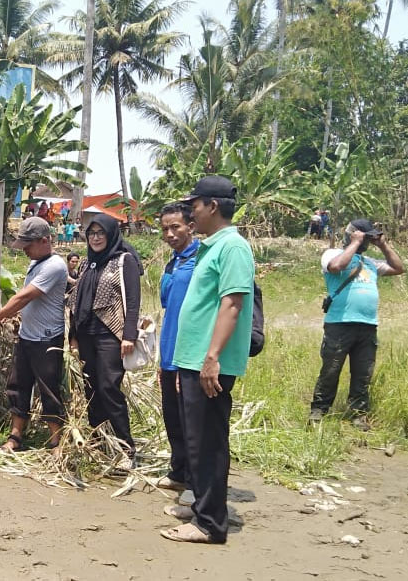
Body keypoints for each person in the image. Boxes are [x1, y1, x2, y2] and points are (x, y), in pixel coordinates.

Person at [162, 175, 255, 545]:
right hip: (192, 360)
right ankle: (202, 505)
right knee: (196, 439)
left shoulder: (232, 247)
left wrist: (212, 357)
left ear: (212, 206)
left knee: (209, 442)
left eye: (194, 206)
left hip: (207, 363)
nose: (191, 212)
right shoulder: (210, 247)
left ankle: (209, 524)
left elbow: (232, 304)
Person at [0, 217, 68, 451]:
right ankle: (15, 437)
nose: (25, 250)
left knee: (48, 388)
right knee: (18, 386)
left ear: (45, 240)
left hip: (47, 339)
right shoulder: (36, 263)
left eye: (28, 245)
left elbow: (24, 297)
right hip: (28, 336)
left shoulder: (55, 265)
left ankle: (56, 442)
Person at [309, 219, 404, 430]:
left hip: (368, 325)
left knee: (363, 373)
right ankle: (318, 412)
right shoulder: (332, 254)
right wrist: (354, 243)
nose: (365, 241)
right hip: (340, 324)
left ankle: (358, 415)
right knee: (331, 370)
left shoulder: (370, 262)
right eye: (363, 236)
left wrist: (382, 245)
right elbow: (336, 267)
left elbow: (398, 268)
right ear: (351, 234)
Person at [69, 214, 142, 469]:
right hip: (87, 334)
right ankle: (99, 442)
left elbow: (132, 302)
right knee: (91, 389)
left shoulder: (125, 261)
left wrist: (129, 335)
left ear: (111, 235)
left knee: (109, 388)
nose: (96, 237)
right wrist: (73, 337)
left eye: (101, 233)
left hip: (111, 335)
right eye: (92, 233)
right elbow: (75, 300)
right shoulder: (88, 263)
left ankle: (126, 449)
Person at [155, 203, 200, 503]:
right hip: (169, 351)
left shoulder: (200, 260)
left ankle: (197, 484)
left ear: (191, 227)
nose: (170, 234)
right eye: (165, 229)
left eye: (176, 227)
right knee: (172, 416)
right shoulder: (174, 261)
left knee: (192, 422)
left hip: (189, 354)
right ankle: (179, 471)